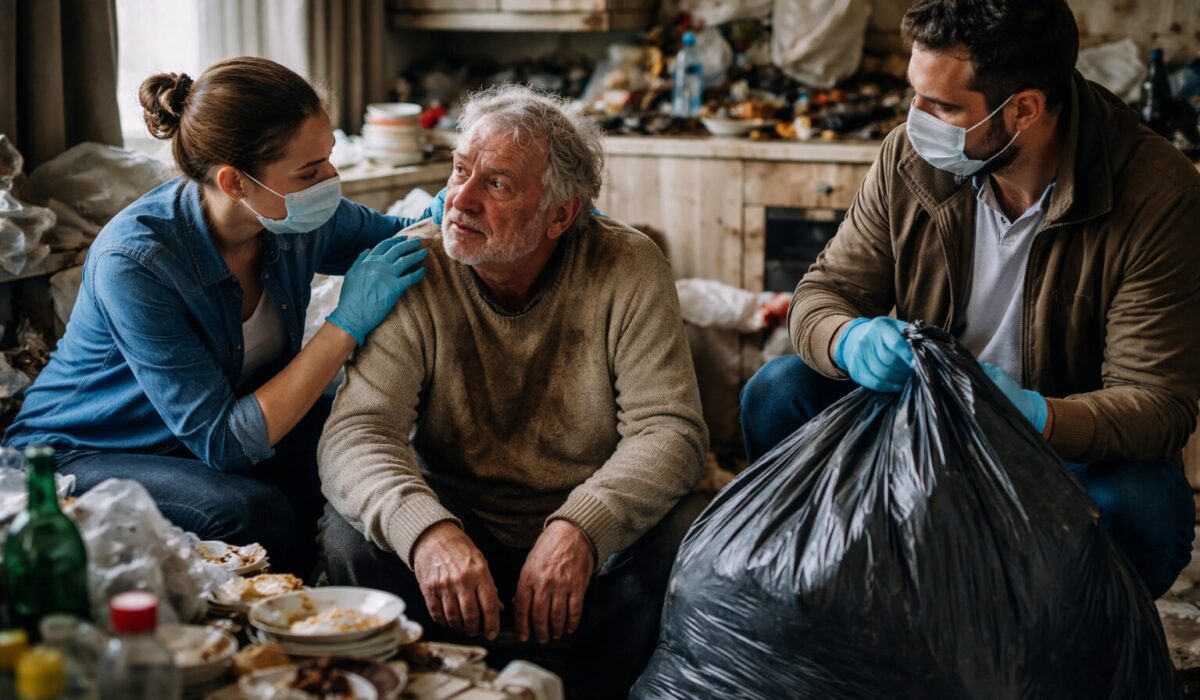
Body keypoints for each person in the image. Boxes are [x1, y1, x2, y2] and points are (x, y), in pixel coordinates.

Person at [740, 0, 1200, 599]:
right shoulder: (908, 156)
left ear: (1024, 110)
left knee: (1146, 504)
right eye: (915, 94)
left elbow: (1157, 404)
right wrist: (847, 339)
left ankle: (1062, 647)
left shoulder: (1158, 195)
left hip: (1056, 448)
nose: (916, 118)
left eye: (943, 106)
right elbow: (822, 296)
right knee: (779, 393)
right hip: (922, 416)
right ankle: (825, 600)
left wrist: (1035, 416)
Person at [317, 84, 708, 697]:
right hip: (460, 519)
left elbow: (671, 432)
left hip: (589, 530)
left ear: (561, 214)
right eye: (460, 169)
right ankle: (430, 684)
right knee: (350, 533)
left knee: (690, 530)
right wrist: (428, 531)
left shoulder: (629, 266)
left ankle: (586, 687)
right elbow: (357, 433)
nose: (458, 200)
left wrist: (580, 527)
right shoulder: (414, 266)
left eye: (496, 184)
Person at [3, 57, 442, 576]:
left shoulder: (295, 215)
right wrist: (345, 325)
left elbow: (404, 235)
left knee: (359, 446)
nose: (332, 178)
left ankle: (341, 616)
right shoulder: (137, 262)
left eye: (327, 157)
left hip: (210, 429)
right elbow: (224, 443)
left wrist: (458, 199)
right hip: (88, 450)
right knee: (253, 512)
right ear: (235, 182)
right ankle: (286, 629)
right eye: (310, 169)